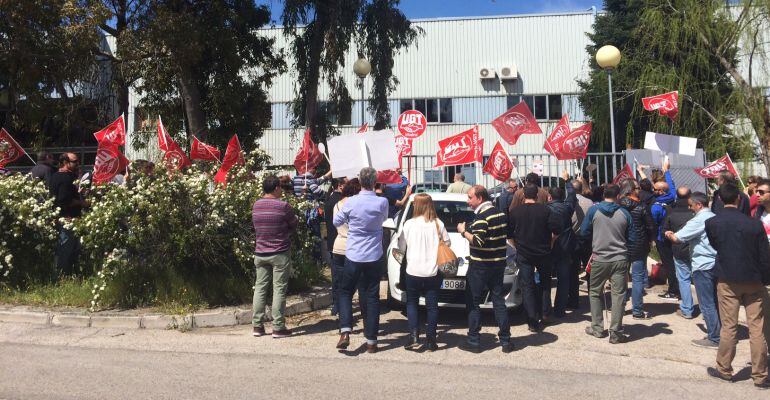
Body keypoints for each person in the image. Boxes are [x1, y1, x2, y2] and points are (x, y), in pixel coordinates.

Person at [705, 183, 770, 388]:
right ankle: (760, 375)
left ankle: (724, 369)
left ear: (720, 200)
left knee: (729, 326)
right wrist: (765, 279)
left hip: (728, 279)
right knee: (757, 328)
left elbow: (716, 245)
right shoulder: (754, 224)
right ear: (740, 199)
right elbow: (764, 256)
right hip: (753, 279)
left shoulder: (713, 222)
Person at [333, 167, 389, 353]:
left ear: (360, 180)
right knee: (372, 296)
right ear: (375, 182)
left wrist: (351, 222)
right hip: (374, 254)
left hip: (354, 253)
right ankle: (372, 340)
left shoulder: (351, 202)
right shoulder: (382, 202)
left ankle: (346, 331)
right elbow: (384, 219)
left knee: (346, 291)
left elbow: (336, 221)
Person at [457, 185, 513, 353]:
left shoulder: (482, 217)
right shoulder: (501, 213)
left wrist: (463, 231)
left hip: (480, 266)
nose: (468, 201)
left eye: (470, 198)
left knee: (473, 302)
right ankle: (505, 340)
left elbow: (478, 241)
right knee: (498, 301)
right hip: (498, 264)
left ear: (480, 198)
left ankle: (474, 341)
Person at [580, 184, 636, 344]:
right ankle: (616, 332)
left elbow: (584, 232)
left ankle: (597, 328)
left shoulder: (593, 211)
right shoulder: (625, 213)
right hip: (620, 259)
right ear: (618, 196)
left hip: (599, 258)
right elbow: (631, 238)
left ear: (604, 194)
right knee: (618, 295)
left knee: (595, 292)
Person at [664, 192, 720, 348]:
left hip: (703, 264)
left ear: (699, 205)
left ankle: (714, 337)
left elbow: (678, 238)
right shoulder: (715, 217)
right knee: (715, 301)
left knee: (707, 303)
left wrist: (669, 234)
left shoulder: (698, 220)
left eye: (691, 205)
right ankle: (719, 331)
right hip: (716, 263)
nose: (689, 208)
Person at [396, 193, 449, 352]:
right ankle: (431, 339)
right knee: (432, 306)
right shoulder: (438, 224)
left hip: (413, 271)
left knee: (412, 303)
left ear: (416, 205)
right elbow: (447, 243)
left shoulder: (409, 224)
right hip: (433, 272)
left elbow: (401, 247)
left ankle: (413, 336)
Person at [251, 175, 298, 339]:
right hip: (279, 252)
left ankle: (257, 325)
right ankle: (278, 326)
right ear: (277, 187)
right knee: (279, 289)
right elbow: (294, 224)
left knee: (260, 288)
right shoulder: (283, 206)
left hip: (260, 251)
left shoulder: (256, 205)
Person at [509, 183, 561, 332]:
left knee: (527, 286)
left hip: (524, 253)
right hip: (543, 252)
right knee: (545, 283)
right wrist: (551, 242)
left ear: (523, 196)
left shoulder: (515, 212)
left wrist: (515, 246)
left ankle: (532, 319)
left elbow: (509, 233)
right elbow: (556, 229)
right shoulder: (546, 210)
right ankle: (545, 313)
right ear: (537, 196)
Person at [619, 178, 656, 320]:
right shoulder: (642, 207)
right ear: (631, 190)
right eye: (637, 188)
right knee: (638, 278)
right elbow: (650, 226)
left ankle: (619, 308)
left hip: (621, 245)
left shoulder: (618, 206)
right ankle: (637, 310)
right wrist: (651, 239)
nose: (639, 190)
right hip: (639, 245)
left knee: (621, 278)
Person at [49, 153, 88, 276]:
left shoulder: (56, 176)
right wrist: (82, 203)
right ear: (66, 162)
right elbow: (64, 200)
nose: (77, 164)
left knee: (71, 250)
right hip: (68, 219)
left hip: (63, 218)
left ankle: (69, 276)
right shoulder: (65, 178)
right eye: (75, 161)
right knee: (65, 250)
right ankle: (61, 277)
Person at [546, 171, 577, 318]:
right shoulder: (567, 208)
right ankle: (560, 309)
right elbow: (572, 195)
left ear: (549, 197)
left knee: (545, 279)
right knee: (564, 280)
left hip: (549, 248)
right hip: (565, 247)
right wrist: (567, 181)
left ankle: (545, 308)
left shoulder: (546, 209)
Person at [664, 187, 696, 319]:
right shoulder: (696, 213)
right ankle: (708, 311)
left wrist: (669, 235)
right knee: (701, 280)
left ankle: (687, 309)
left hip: (679, 250)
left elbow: (665, 230)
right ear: (690, 196)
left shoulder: (671, 212)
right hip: (696, 250)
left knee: (683, 279)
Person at [650, 158, 679, 301]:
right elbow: (672, 188)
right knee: (674, 263)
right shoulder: (671, 198)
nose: (653, 191)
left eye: (655, 189)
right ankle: (676, 288)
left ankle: (673, 290)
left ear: (661, 191)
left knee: (668, 263)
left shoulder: (656, 206)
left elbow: (653, 223)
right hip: (674, 235)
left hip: (662, 237)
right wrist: (667, 171)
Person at [751, 179, 770, 359]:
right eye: (757, 191)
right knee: (765, 316)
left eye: (762, 192)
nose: (757, 195)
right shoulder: (758, 213)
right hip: (762, 271)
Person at [569, 177, 595, 309]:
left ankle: (573, 300)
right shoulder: (590, 202)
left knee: (573, 270)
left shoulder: (568, 202)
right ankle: (593, 298)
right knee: (589, 269)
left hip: (573, 238)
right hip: (588, 238)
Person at [324, 177, 347, 315]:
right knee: (345, 278)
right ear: (340, 186)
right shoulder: (340, 202)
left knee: (336, 276)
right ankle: (341, 305)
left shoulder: (329, 199)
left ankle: (336, 304)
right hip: (342, 242)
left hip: (332, 243)